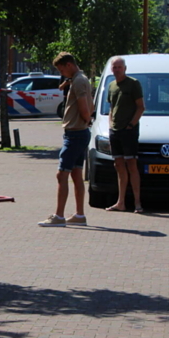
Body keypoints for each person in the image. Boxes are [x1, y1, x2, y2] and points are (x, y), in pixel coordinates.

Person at [39, 52, 93, 227]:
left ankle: (59, 216)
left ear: (69, 65)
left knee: (62, 174)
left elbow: (84, 107)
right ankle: (79, 215)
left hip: (75, 132)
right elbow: (74, 81)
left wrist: (86, 118)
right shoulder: (79, 78)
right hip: (79, 132)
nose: (62, 73)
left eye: (62, 69)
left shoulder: (78, 81)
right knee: (76, 174)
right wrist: (66, 83)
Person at [104, 57, 145, 213]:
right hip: (115, 131)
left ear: (125, 68)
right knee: (118, 165)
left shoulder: (133, 84)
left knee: (131, 165)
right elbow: (111, 107)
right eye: (114, 67)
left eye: (119, 67)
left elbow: (141, 107)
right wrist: (110, 125)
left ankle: (137, 203)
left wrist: (131, 125)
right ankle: (120, 202)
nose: (117, 70)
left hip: (129, 131)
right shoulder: (111, 85)